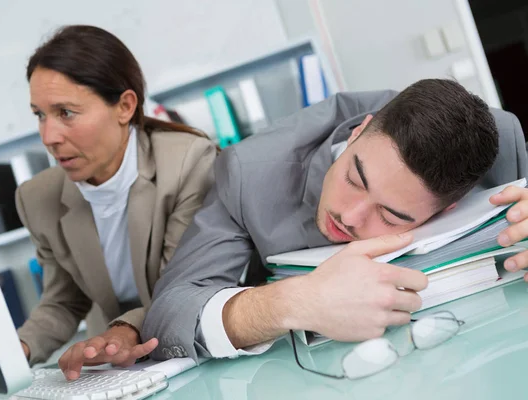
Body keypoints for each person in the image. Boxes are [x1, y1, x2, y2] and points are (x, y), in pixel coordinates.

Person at [138, 79, 528, 362]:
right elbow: (168, 312)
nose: (350, 216)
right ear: (358, 132)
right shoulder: (249, 173)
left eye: (391, 215)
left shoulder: (502, 141)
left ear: (447, 209)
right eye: (354, 179)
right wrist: (289, 302)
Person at [13, 25, 217, 378]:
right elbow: (63, 300)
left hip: (196, 347)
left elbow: (183, 286)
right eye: (40, 115)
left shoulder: (188, 162)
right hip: (114, 363)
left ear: (124, 106)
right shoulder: (36, 198)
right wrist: (17, 350)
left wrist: (121, 333)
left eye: (66, 112)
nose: (48, 136)